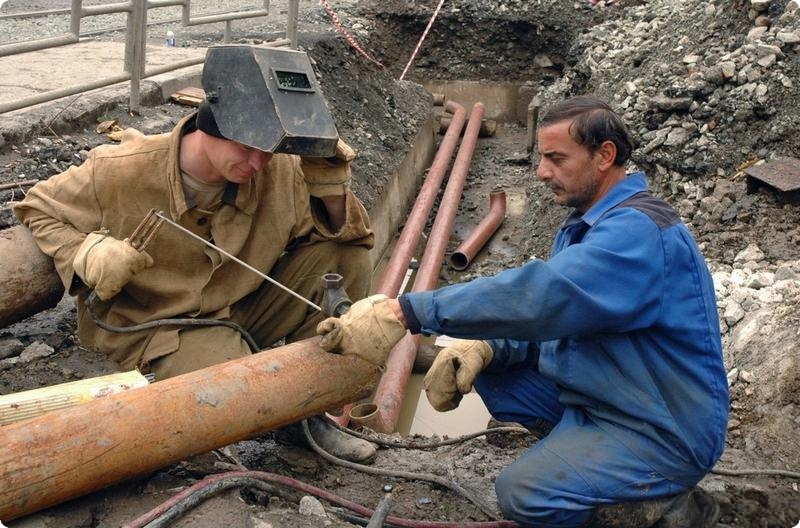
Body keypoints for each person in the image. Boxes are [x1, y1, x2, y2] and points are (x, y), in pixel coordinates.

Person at [316, 95, 729, 526]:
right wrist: (488, 347)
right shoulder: (587, 223)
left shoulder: (638, 234)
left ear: (605, 155)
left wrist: (407, 311)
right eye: (542, 158)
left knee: (524, 494)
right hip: (611, 398)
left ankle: (661, 504)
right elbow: (556, 322)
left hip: (661, 428)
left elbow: (541, 297)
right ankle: (593, 469)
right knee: (491, 367)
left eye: (556, 158)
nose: (542, 172)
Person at [14, 45, 379, 463]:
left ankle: (309, 412)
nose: (257, 163)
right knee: (243, 388)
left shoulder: (275, 168)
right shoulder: (120, 170)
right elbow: (35, 206)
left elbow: (351, 239)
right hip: (157, 327)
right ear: (210, 126)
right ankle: (281, 406)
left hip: (237, 309)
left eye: (267, 150)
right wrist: (84, 251)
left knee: (346, 261)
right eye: (246, 148)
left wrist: (331, 192)